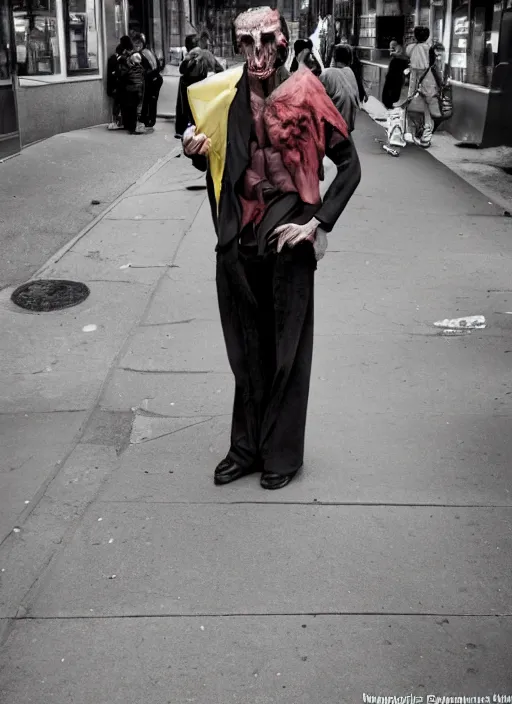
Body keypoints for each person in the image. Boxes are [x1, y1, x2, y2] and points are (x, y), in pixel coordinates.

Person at [182, 6, 361, 490]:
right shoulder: (224, 96)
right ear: (237, 46)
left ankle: (282, 453)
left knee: (288, 350)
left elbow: (350, 166)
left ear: (284, 40)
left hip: (289, 241)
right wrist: (193, 149)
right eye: (247, 42)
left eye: (267, 39)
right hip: (238, 242)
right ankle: (246, 447)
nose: (257, 51)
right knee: (246, 349)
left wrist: (317, 224)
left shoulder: (307, 91)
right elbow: (218, 164)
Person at [174, 36, 224, 138]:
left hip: (189, 86)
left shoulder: (190, 56)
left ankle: (182, 130)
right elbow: (220, 69)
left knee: (185, 109)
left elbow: (182, 70)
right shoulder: (206, 54)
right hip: (202, 84)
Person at [405, 26, 440, 148]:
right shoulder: (430, 49)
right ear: (428, 36)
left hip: (414, 81)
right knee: (428, 111)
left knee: (408, 107)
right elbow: (435, 65)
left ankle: (409, 132)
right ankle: (426, 137)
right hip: (429, 81)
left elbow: (408, 61)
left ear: (415, 36)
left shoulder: (410, 48)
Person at [319, 43, 360, 133]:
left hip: (334, 127)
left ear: (334, 58)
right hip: (348, 126)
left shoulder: (327, 73)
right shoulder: (350, 72)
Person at [131, 33, 163, 128]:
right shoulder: (148, 51)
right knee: (152, 100)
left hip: (151, 79)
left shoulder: (141, 54)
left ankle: (147, 120)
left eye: (138, 44)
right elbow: (157, 64)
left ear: (142, 43)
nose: (137, 46)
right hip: (156, 78)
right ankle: (149, 120)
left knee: (148, 100)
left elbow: (144, 69)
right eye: (135, 44)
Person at [116, 36, 146, 134]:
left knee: (130, 107)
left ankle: (130, 126)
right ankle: (135, 125)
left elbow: (124, 73)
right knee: (136, 107)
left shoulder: (129, 65)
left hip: (130, 88)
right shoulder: (140, 67)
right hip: (139, 88)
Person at [382, 41, 409, 110]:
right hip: (398, 78)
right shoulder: (403, 60)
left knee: (389, 90)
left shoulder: (394, 60)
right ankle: (391, 104)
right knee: (395, 90)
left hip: (392, 77)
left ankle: (388, 104)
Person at [106, 41, 127, 130]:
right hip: (116, 86)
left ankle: (117, 121)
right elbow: (115, 74)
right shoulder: (117, 60)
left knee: (117, 104)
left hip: (115, 86)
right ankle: (116, 122)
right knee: (117, 104)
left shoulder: (112, 58)